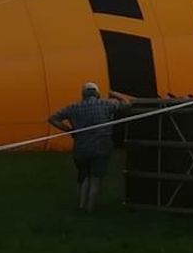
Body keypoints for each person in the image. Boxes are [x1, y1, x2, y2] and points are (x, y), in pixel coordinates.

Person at [48, 82, 134, 213]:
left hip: (81, 148)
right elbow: (127, 104)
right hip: (101, 148)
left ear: (83, 94)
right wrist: (114, 94)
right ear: (97, 93)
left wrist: (70, 131)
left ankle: (81, 206)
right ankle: (90, 209)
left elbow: (53, 118)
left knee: (84, 177)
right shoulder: (106, 104)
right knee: (95, 179)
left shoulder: (73, 107)